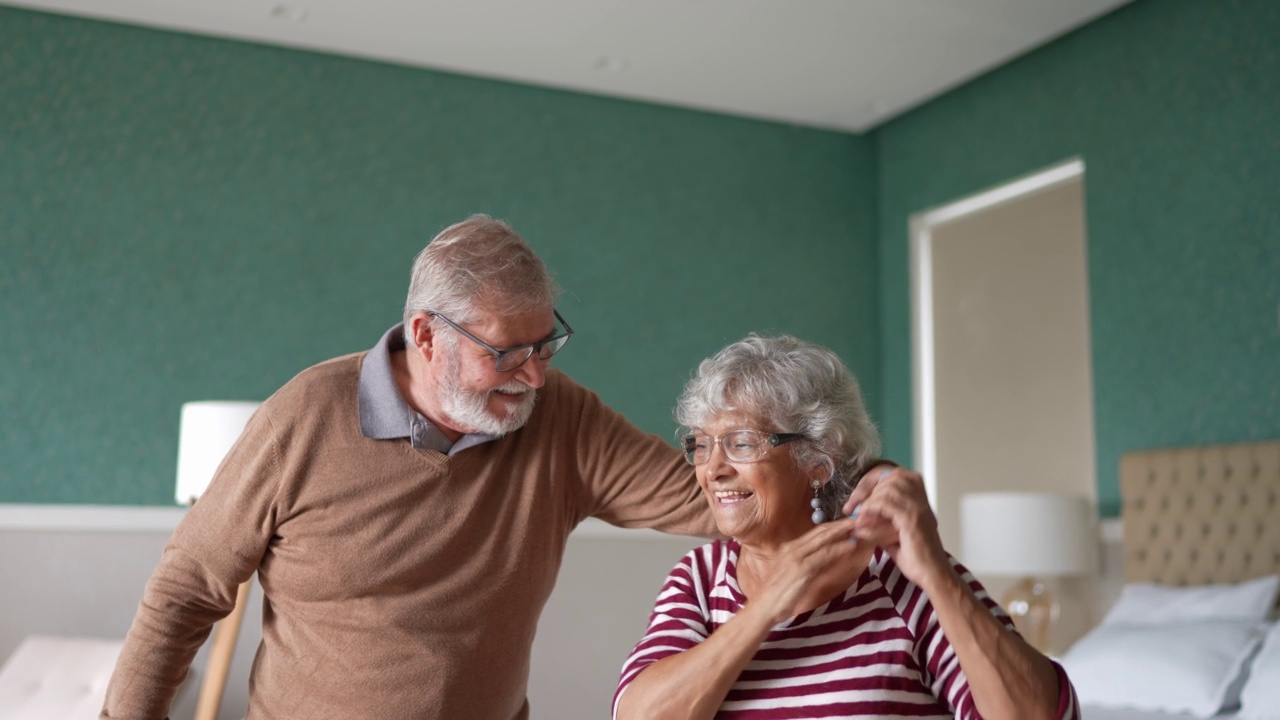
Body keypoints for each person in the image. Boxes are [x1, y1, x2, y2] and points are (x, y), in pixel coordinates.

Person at [101, 215, 893, 719]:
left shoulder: (562, 420)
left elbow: (715, 496)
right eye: (506, 353)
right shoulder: (306, 415)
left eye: (546, 345)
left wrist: (855, 477)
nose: (535, 376)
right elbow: (186, 590)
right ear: (426, 335)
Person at [613, 334, 1080, 720]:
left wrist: (937, 575)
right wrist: (768, 607)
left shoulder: (899, 578)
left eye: (740, 443)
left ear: (818, 460)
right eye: (701, 444)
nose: (712, 469)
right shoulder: (699, 577)